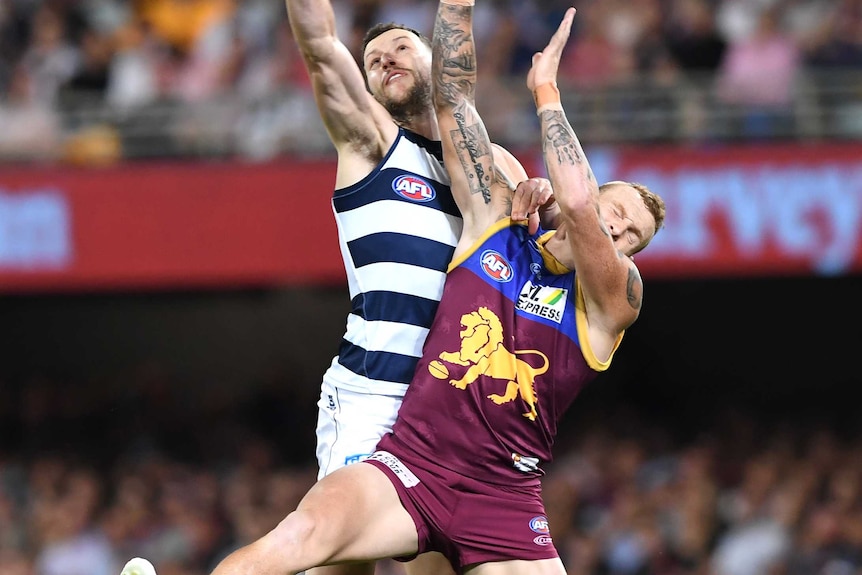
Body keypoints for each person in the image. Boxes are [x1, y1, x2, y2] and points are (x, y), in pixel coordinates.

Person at [120, 4, 665, 575]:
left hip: (502, 489)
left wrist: (547, 107)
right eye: (618, 211)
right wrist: (456, 7)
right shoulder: (487, 214)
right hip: (397, 427)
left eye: (634, 234)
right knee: (316, 545)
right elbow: (454, 102)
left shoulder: (615, 294)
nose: (620, 229)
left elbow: (570, 199)